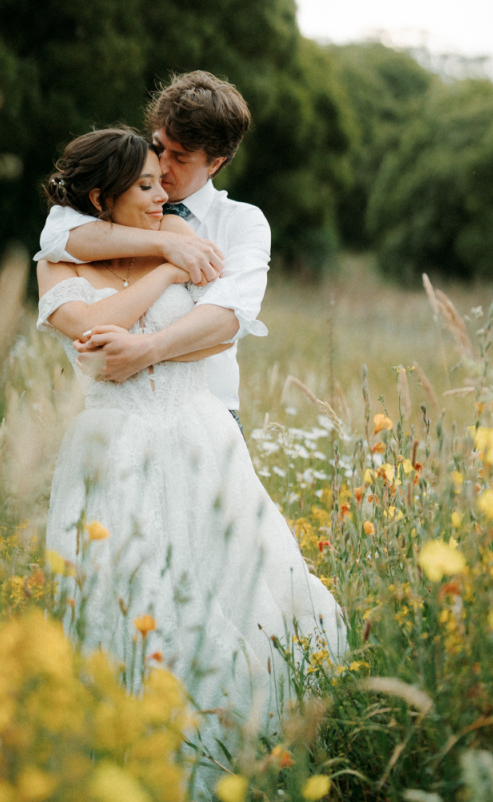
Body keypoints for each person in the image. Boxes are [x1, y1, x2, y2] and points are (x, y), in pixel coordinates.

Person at [35, 128, 344, 771]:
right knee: (129, 591)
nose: (162, 195)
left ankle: (243, 743)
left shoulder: (193, 229)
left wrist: (151, 334)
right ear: (102, 198)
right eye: (146, 184)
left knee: (228, 583)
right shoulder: (63, 257)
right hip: (115, 446)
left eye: (165, 179)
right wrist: (170, 266)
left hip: (201, 432)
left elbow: (219, 335)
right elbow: (90, 330)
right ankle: (131, 747)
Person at [35, 71, 271, 424]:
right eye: (159, 147)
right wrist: (169, 243)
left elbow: (230, 317)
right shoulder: (109, 205)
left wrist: (144, 351)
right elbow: (55, 239)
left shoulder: (242, 221)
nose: (162, 165)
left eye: (181, 157)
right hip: (115, 419)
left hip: (210, 412)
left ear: (215, 163)